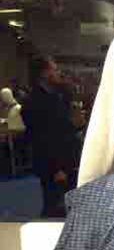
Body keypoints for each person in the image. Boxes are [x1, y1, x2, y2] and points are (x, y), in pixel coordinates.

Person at [21, 56, 81, 218]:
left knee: (69, 206)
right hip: (53, 164)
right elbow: (42, 139)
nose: (58, 73)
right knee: (54, 207)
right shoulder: (33, 101)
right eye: (54, 69)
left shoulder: (56, 95)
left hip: (67, 160)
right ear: (44, 73)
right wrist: (56, 168)